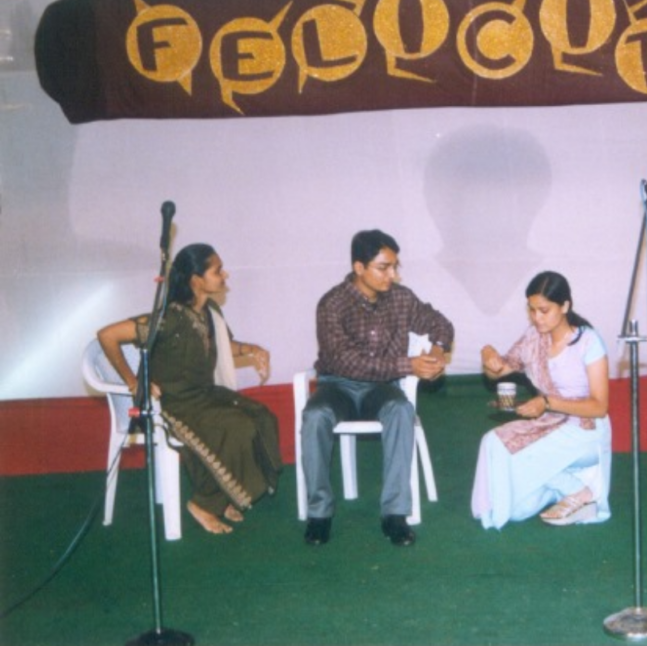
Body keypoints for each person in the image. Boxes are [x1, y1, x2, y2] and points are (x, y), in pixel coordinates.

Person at [97, 243, 282, 535]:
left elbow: (220, 347)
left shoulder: (209, 311)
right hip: (174, 403)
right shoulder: (168, 318)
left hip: (204, 395)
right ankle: (204, 504)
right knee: (236, 427)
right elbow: (107, 335)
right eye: (217, 270)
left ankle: (226, 494)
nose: (225, 275)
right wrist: (134, 382)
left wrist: (252, 349)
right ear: (196, 279)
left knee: (260, 415)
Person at [301, 229, 454, 547]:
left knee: (401, 409)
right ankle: (319, 514)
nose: (392, 275)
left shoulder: (401, 298)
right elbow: (347, 363)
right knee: (315, 416)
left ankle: (395, 514)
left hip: (381, 389)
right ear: (359, 268)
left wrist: (437, 352)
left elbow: (441, 324)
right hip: (337, 386)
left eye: (395, 266)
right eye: (383, 267)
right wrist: (409, 365)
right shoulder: (332, 304)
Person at [472, 271, 612, 530]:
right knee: (495, 449)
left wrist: (547, 402)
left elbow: (600, 406)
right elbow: (501, 369)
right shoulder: (533, 337)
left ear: (565, 306)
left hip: (585, 431)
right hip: (550, 423)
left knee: (504, 446)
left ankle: (582, 493)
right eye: (532, 310)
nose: (537, 318)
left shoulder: (588, 342)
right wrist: (488, 355)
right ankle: (561, 489)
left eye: (544, 310)